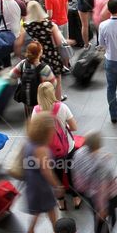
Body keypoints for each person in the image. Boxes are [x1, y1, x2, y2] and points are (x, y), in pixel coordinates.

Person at [32, 81, 80, 212]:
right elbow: (74, 127)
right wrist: (65, 127)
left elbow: (35, 133)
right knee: (71, 173)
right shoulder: (62, 107)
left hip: (48, 152)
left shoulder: (36, 111)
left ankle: (61, 202)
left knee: (57, 177)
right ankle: (76, 198)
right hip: (67, 147)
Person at [22, 113, 63, 233]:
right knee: (47, 207)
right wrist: (57, 185)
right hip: (41, 185)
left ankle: (53, 232)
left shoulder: (30, 142)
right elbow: (46, 171)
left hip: (33, 182)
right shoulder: (41, 150)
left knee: (43, 209)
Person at [18, 2, 65, 100]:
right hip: (52, 55)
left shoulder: (26, 26)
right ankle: (57, 101)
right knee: (56, 80)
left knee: (40, 82)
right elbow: (58, 42)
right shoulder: (50, 25)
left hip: (36, 56)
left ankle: (43, 102)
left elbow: (20, 43)